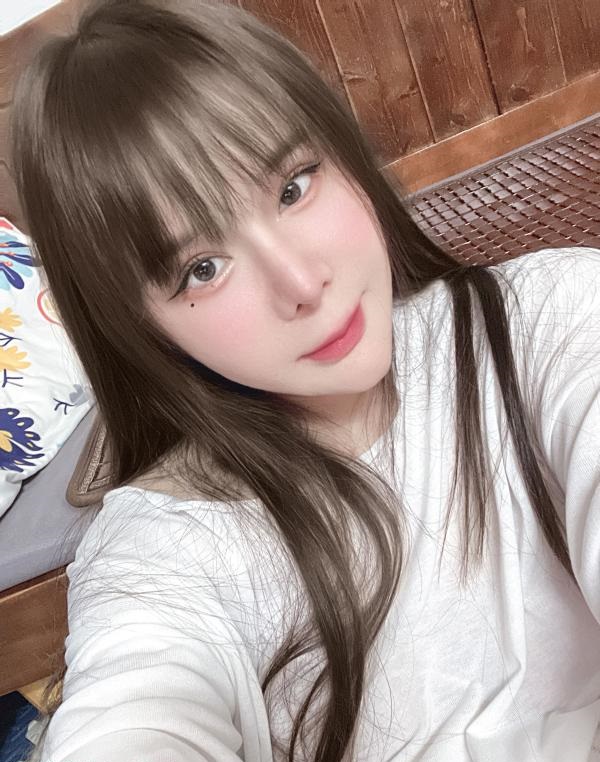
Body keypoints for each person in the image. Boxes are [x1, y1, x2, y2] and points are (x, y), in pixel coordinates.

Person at [9, 0, 600, 760]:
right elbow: (133, 706)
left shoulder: (552, 314)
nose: (300, 283)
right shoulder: (162, 552)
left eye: (293, 186)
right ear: (138, 325)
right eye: (202, 267)